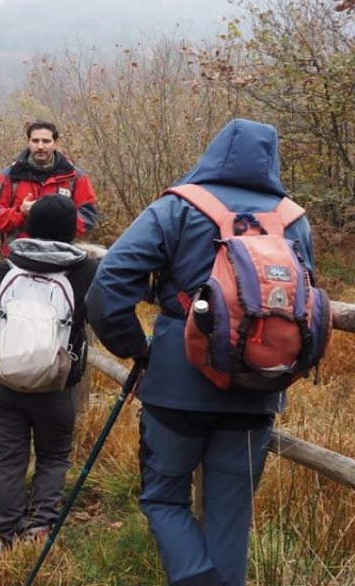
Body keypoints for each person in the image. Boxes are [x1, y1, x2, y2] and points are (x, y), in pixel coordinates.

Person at [85, 119, 317, 586]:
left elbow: (107, 290)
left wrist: (139, 350)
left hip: (176, 385)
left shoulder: (178, 207)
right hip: (258, 384)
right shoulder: (293, 218)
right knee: (230, 515)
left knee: (163, 499)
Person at [0, 193, 98, 550]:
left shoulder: (6, 266)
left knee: (9, 457)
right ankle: (39, 528)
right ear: (71, 230)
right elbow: (96, 318)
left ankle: (5, 531)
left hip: (1, 382)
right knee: (53, 455)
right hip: (55, 385)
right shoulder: (86, 270)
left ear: (29, 226)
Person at [0, 120, 98, 256]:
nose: (40, 146)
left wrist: (55, 221)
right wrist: (20, 213)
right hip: (18, 255)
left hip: (60, 255)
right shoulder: (8, 176)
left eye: (46, 141)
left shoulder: (75, 177)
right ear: (28, 142)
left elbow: (88, 215)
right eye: (35, 141)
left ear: (56, 143)